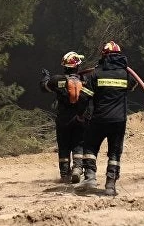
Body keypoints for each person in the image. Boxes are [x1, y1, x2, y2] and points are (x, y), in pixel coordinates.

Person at [77, 41, 137, 196]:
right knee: (115, 152)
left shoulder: (96, 74)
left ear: (103, 56)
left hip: (99, 119)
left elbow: (84, 97)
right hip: (119, 121)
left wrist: (80, 114)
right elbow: (134, 84)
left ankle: (90, 177)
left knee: (90, 147)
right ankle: (110, 184)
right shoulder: (125, 74)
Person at [40, 51, 93, 183]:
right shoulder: (85, 81)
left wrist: (46, 77)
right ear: (77, 66)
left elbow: (44, 87)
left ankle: (64, 174)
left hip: (63, 118)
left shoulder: (58, 80)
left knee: (63, 146)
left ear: (64, 66)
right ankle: (77, 168)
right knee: (79, 143)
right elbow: (90, 97)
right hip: (80, 117)